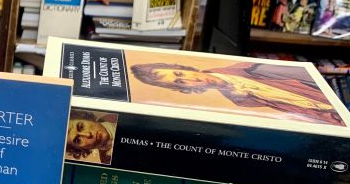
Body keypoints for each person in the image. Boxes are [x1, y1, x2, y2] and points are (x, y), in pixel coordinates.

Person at [129, 61, 344, 125]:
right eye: (179, 82)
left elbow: (307, 80)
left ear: (184, 67)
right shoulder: (240, 102)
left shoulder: (251, 68)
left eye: (179, 73)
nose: (190, 80)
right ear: (182, 89)